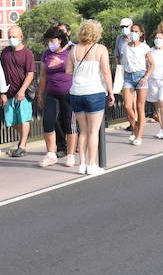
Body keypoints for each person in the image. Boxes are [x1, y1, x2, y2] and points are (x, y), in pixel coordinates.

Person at [66, 19, 115, 174]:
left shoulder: (73, 50)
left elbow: (68, 70)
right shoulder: (100, 49)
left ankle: (82, 164)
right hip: (94, 91)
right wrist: (111, 92)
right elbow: (106, 72)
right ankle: (92, 164)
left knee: (83, 130)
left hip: (76, 93)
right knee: (94, 131)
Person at [37, 25, 78, 167]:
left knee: (69, 124)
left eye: (52, 40)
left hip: (68, 93)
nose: (50, 43)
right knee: (48, 121)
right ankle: (50, 154)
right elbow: (42, 76)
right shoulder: (46, 54)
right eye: (48, 41)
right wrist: (40, 94)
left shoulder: (71, 51)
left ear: (60, 39)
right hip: (51, 93)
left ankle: (71, 154)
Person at [0, 25, 36, 157]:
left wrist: (22, 90)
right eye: (9, 36)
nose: (11, 39)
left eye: (14, 36)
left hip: (23, 93)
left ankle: (22, 146)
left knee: (24, 119)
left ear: (21, 37)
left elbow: (30, 73)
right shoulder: (4, 53)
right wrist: (2, 93)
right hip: (8, 92)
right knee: (11, 121)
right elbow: (0, 73)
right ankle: (24, 138)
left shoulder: (27, 53)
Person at [120, 23, 151, 144]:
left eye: (136, 31)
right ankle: (134, 127)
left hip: (140, 75)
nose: (133, 33)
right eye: (132, 30)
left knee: (139, 107)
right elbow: (122, 63)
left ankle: (139, 136)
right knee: (127, 106)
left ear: (141, 33)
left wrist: (146, 77)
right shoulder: (125, 46)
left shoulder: (144, 47)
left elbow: (152, 64)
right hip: (128, 76)